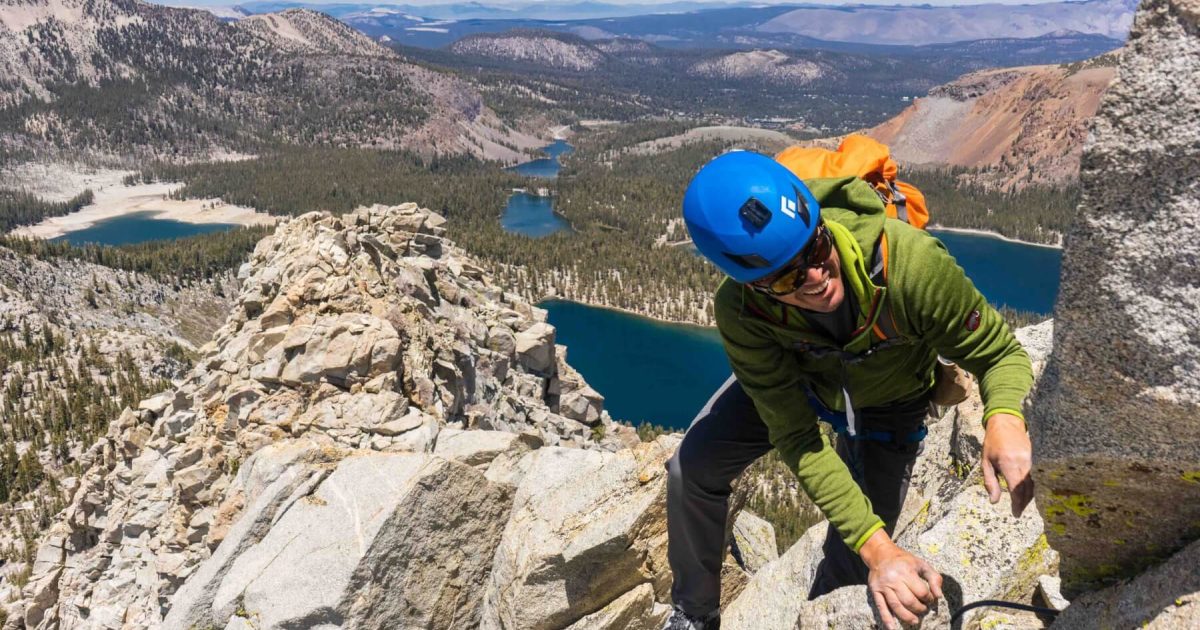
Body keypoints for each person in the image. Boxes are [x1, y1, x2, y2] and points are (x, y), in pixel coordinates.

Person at [662, 151, 1035, 630]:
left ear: (819, 224)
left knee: (854, 565)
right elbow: (796, 437)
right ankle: (695, 613)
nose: (816, 277)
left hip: (889, 400)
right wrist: (878, 546)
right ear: (751, 285)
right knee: (691, 469)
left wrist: (1004, 417)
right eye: (786, 276)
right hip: (800, 381)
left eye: (815, 249)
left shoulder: (911, 267)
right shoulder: (742, 312)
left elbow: (997, 352)